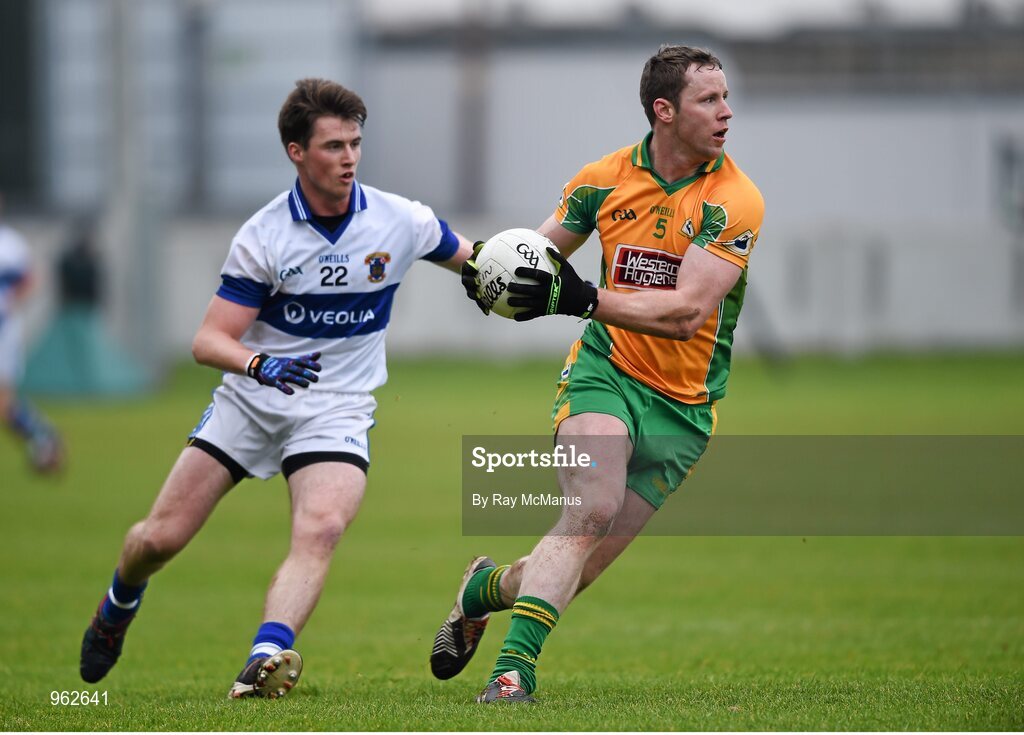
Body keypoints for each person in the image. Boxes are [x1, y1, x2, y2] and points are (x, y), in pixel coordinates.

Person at [79, 78, 476, 699]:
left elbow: (476, 262)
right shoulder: (264, 236)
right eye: (333, 146)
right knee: (159, 539)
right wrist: (260, 366)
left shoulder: (402, 220)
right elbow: (209, 340)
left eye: (355, 144)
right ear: (296, 152)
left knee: (321, 527)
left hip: (336, 407)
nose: (349, 158)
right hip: (250, 405)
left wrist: (521, 278)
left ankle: (265, 657)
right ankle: (119, 600)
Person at [432, 45, 765, 703]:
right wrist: (496, 278)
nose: (727, 111)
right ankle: (512, 674)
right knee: (591, 506)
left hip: (685, 411)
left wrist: (580, 297)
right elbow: (536, 253)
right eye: (709, 99)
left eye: (726, 97)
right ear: (664, 111)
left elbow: (686, 314)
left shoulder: (735, 199)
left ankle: (482, 588)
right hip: (604, 373)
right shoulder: (604, 179)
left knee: (575, 565)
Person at [0, 193, 64, 473]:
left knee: (3, 402)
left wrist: (12, 303)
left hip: (3, 330)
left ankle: (44, 437)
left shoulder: (9, 244)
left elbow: (30, 279)